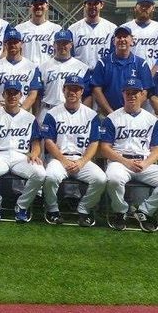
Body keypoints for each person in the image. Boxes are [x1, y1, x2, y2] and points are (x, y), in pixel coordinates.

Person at [99, 78, 158, 231]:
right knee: (114, 179)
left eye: (135, 93)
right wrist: (126, 162)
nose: (132, 96)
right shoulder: (112, 118)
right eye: (128, 93)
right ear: (123, 94)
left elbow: (157, 149)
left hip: (145, 162)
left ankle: (144, 211)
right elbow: (105, 148)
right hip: (119, 162)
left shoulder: (151, 119)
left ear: (142, 94)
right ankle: (120, 212)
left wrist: (145, 163)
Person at [41, 75, 106, 227]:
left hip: (81, 159)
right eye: (69, 89)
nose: (72, 92)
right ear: (64, 90)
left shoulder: (91, 115)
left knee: (100, 179)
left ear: (82, 91)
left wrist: (82, 162)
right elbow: (49, 142)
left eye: (76, 89)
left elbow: (94, 142)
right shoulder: (52, 114)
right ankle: (52, 209)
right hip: (58, 159)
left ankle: (84, 209)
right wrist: (63, 161)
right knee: (50, 176)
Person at [0, 80, 45, 222]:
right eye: (9, 93)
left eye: (15, 93)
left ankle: (22, 206)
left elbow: (36, 143)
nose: (12, 96)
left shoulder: (30, 118)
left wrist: (34, 153)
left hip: (21, 157)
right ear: (3, 94)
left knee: (40, 173)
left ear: (21, 95)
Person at [91, 25, 153, 116]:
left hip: (134, 115)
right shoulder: (103, 63)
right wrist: (110, 113)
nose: (122, 39)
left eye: (125, 36)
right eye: (119, 37)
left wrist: (131, 109)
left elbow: (145, 91)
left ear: (132, 41)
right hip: (107, 115)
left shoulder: (141, 64)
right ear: (113, 41)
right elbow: (96, 90)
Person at [0, 27, 42, 113]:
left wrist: (21, 112)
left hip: (22, 108)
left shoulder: (32, 67)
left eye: (15, 42)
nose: (12, 45)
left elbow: (33, 94)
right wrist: (2, 112)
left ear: (21, 43)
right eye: (9, 42)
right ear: (5, 45)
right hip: (0, 108)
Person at [37, 29, 91, 122]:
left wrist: (83, 113)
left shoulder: (82, 68)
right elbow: (38, 95)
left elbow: (88, 94)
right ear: (54, 45)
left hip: (73, 111)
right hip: (47, 109)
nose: (62, 46)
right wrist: (37, 114)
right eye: (59, 43)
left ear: (71, 45)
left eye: (65, 43)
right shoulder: (42, 67)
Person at [119, 0, 158, 75]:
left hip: (154, 74)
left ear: (153, 8)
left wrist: (153, 73)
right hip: (128, 73)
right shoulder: (124, 28)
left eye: (148, 6)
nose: (144, 8)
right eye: (141, 5)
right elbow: (117, 53)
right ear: (135, 8)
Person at [68, 0, 117, 71]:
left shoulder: (112, 28)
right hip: (80, 73)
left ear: (101, 5)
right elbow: (70, 55)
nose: (92, 6)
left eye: (95, 3)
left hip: (103, 73)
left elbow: (114, 54)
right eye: (89, 3)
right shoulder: (73, 29)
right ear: (84, 5)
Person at [16, 0, 62, 67]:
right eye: (35, 4)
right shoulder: (19, 29)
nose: (39, 6)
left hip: (49, 69)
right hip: (26, 70)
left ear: (47, 6)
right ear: (31, 7)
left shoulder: (57, 29)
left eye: (41, 4)